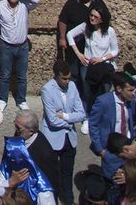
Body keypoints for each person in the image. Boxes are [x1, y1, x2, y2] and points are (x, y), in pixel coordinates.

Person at [41, 59, 87, 205]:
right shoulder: (47, 90)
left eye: (69, 78)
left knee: (67, 173)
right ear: (56, 76)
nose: (67, 81)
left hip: (69, 139)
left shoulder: (73, 87)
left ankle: (69, 201)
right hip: (53, 138)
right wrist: (70, 123)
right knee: (52, 175)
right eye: (64, 78)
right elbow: (52, 120)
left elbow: (81, 113)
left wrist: (66, 116)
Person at [0, 0, 41, 111]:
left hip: (22, 46)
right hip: (6, 45)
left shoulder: (24, 5)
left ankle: (21, 100)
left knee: (22, 75)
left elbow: (36, 1)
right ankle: (2, 99)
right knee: (4, 75)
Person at [0, 112, 61, 205]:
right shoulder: (14, 143)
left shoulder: (46, 154)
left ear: (31, 131)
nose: (15, 131)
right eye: (15, 125)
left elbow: (51, 184)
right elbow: (2, 175)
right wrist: (11, 182)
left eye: (19, 129)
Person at [57, 0, 109, 100]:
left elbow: (106, 19)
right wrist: (62, 38)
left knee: (90, 75)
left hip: (92, 48)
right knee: (74, 74)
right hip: (75, 46)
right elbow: (63, 20)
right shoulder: (71, 3)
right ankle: (74, 98)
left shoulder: (98, 3)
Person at [90, 73, 136, 187]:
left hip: (128, 148)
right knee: (113, 184)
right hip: (111, 151)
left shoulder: (130, 102)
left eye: (134, 90)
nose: (134, 93)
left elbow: (131, 122)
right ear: (119, 89)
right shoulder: (103, 102)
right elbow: (93, 125)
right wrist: (101, 150)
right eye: (130, 90)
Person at [67, 5, 119, 107]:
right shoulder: (86, 26)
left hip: (104, 67)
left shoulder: (109, 31)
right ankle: (87, 116)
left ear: (102, 19)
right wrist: (79, 54)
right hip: (88, 66)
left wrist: (101, 58)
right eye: (91, 15)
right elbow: (70, 35)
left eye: (96, 17)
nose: (92, 18)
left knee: (104, 93)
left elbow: (115, 50)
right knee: (87, 94)